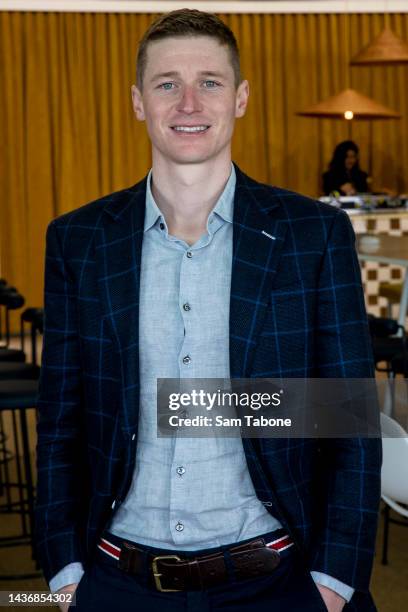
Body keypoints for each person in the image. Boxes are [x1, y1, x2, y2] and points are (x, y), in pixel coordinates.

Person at [35, 9, 381, 612]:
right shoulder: (79, 240)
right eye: (167, 83)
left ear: (240, 98)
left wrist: (334, 581)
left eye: (210, 82)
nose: (189, 102)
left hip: (279, 581)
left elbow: (347, 414)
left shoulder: (314, 234)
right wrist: (63, 572)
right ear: (138, 101)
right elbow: (62, 421)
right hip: (115, 581)